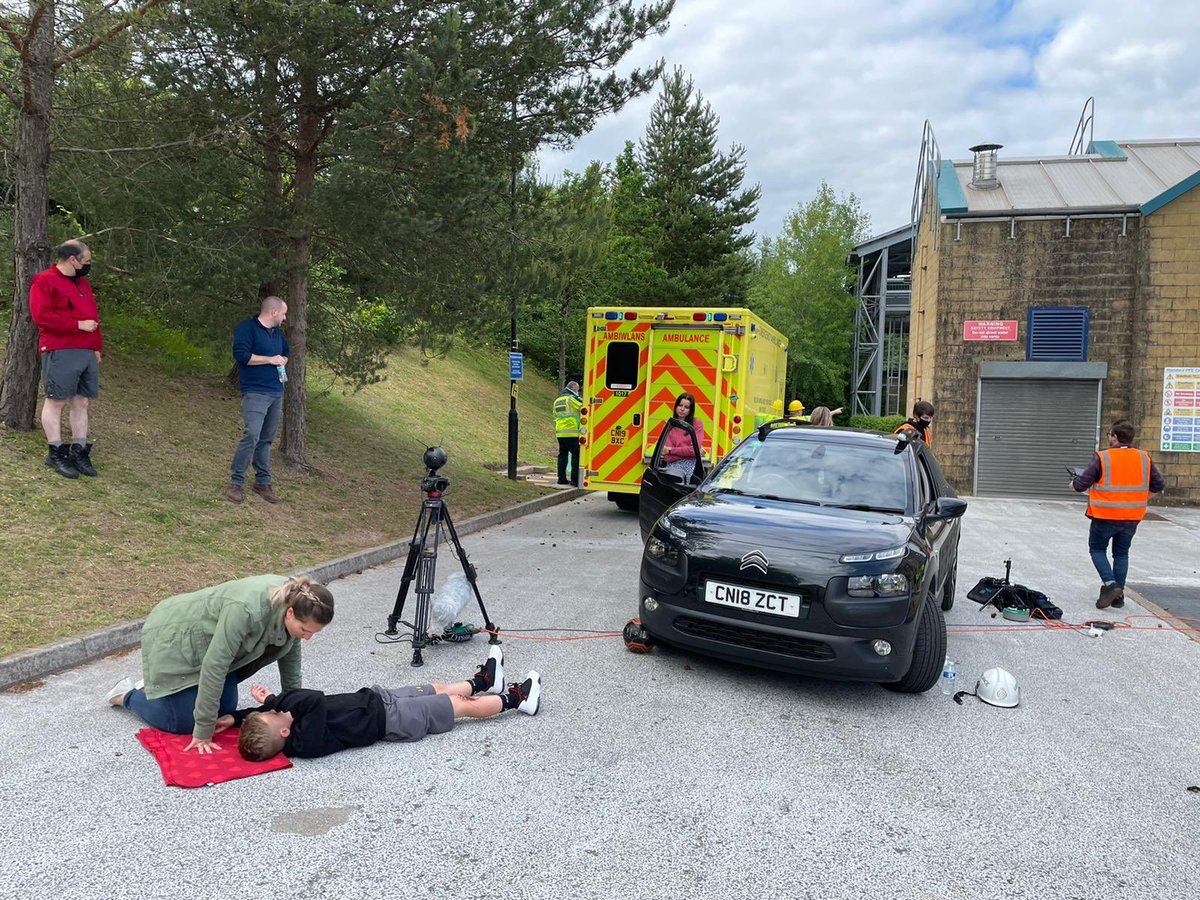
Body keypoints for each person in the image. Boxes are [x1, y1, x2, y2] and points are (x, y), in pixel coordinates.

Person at [105, 574, 334, 753]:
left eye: (313, 633)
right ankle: (128, 695)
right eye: (305, 630)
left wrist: (294, 708)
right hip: (175, 635)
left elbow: (290, 660)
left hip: (213, 646)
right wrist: (203, 733)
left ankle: (164, 689)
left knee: (224, 713)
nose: (307, 637)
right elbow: (215, 666)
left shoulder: (299, 602)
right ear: (290, 613)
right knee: (184, 722)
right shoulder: (246, 611)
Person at [232, 646, 541, 761]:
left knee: (437, 687)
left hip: (379, 698)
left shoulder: (290, 725)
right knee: (458, 704)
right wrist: (272, 699)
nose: (277, 709)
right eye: (274, 713)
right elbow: (312, 699)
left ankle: (485, 681)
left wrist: (237, 717)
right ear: (284, 733)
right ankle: (518, 699)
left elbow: (280, 713)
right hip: (395, 720)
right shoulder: (306, 742)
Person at [1072, 419, 1164, 609]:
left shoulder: (1103, 457)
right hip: (1132, 517)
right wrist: (1142, 498)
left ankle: (1110, 584)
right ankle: (1118, 597)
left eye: (1110, 435)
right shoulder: (1143, 457)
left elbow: (1081, 484)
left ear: (1114, 437)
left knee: (1097, 550)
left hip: (1104, 515)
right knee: (1121, 554)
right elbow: (1158, 485)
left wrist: (1073, 483)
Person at [29, 240, 102, 479]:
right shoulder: (44, 281)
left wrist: (96, 347)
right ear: (73, 259)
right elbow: (42, 317)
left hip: (86, 350)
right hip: (60, 349)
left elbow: (93, 317)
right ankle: (56, 452)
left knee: (82, 401)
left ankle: (78, 451)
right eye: (86, 261)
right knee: (57, 401)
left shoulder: (83, 283)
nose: (88, 265)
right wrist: (77, 325)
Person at [227, 296, 289, 503]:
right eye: (283, 313)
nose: (285, 318)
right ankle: (236, 482)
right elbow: (242, 355)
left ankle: (262, 482)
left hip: (276, 391)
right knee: (252, 435)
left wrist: (282, 360)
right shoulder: (247, 329)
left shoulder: (277, 333)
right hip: (255, 392)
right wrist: (270, 359)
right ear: (273, 312)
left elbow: (286, 352)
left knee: (266, 439)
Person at [660, 392, 706, 479]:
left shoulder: (697, 424)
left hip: (691, 468)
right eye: (680, 405)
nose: (682, 409)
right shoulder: (669, 426)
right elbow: (668, 457)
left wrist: (670, 450)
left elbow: (694, 450)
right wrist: (691, 452)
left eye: (686, 407)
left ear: (691, 410)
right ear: (676, 406)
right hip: (672, 468)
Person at [553, 380, 584, 486]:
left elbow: (555, 414)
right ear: (573, 389)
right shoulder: (572, 399)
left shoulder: (557, 400)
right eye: (577, 390)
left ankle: (561, 479)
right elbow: (584, 407)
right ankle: (575, 480)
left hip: (560, 432)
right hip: (572, 432)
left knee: (562, 454)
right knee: (576, 455)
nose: (577, 392)